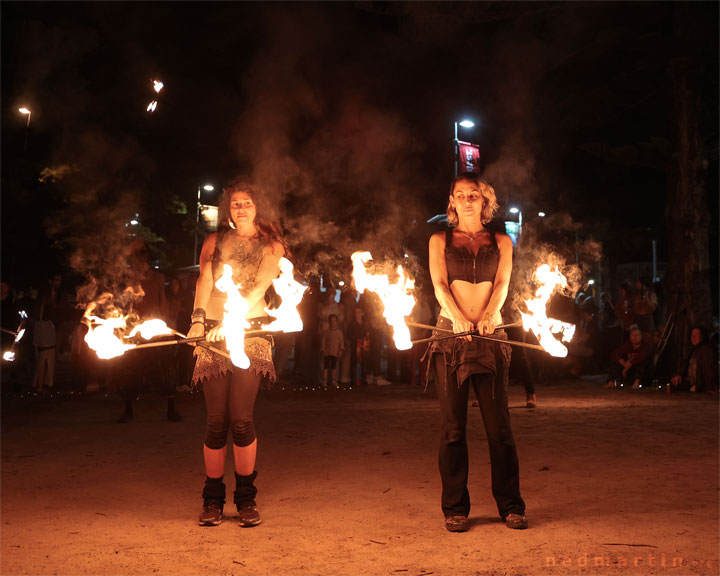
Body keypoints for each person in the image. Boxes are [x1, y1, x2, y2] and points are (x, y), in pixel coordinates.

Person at [427, 172, 527, 533]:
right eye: (460, 195)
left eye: (474, 195)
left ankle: (511, 505)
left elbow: (502, 283)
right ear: (451, 201)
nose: (467, 201)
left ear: (485, 201)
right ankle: (455, 507)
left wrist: (487, 317)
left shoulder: (501, 240)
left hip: (490, 336)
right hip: (449, 338)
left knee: (499, 428)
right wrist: (455, 317)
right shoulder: (439, 239)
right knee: (453, 429)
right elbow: (439, 284)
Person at [187, 177, 284, 527]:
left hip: (252, 331)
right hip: (211, 333)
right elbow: (205, 281)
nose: (241, 208)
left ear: (259, 208)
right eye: (235, 203)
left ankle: (246, 499)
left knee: (241, 420)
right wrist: (198, 320)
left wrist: (234, 321)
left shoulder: (272, 246)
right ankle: (212, 499)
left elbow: (260, 287)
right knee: (216, 422)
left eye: (247, 202)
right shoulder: (215, 241)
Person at [602, 324, 653, 390]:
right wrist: (622, 361)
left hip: (642, 374)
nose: (635, 337)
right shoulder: (628, 345)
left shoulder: (645, 346)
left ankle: (637, 382)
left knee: (643, 363)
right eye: (633, 335)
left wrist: (629, 364)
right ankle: (611, 382)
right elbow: (614, 353)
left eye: (637, 335)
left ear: (641, 336)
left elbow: (641, 356)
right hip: (629, 371)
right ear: (630, 336)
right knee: (616, 362)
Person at [670, 326, 718, 394]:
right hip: (691, 382)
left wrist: (708, 387)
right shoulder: (693, 350)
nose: (693, 337)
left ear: (702, 337)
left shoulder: (706, 350)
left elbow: (708, 370)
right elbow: (686, 365)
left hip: (700, 385)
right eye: (692, 335)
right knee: (673, 385)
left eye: (696, 335)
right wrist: (679, 375)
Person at [321, 313, 344, 388]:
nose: (333, 323)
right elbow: (323, 341)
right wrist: (323, 349)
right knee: (326, 366)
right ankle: (325, 380)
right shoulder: (326, 332)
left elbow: (341, 342)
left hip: (335, 351)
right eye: (331, 321)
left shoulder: (339, 332)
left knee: (334, 366)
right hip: (327, 352)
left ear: (337, 322)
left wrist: (340, 350)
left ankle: (333, 380)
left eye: (334, 321)